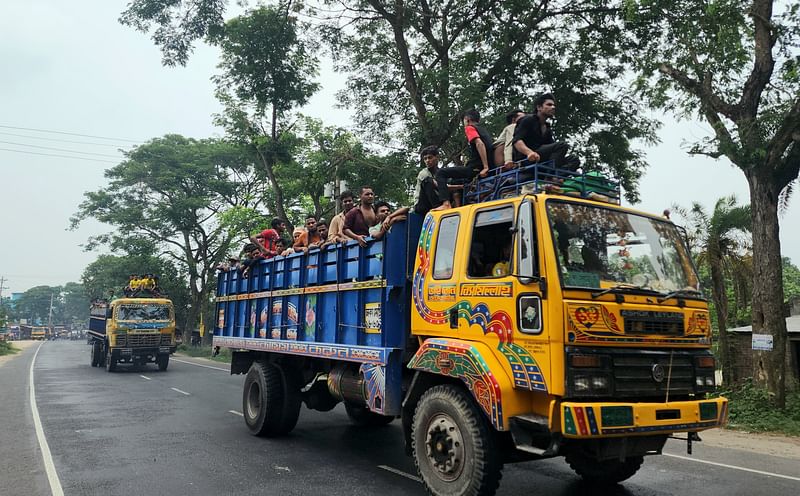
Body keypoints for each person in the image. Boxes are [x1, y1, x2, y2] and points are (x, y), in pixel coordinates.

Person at [433, 109, 495, 211]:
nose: (464, 125)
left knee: (441, 173)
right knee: (456, 180)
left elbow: (480, 144)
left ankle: (446, 203)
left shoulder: (470, 128)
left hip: (476, 167)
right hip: (480, 167)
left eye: (463, 122)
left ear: (467, 119)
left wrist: (485, 166)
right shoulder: (484, 131)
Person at [512, 93, 579, 171]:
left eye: (554, 105)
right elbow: (517, 141)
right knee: (562, 145)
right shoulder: (528, 120)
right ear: (539, 107)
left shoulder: (547, 127)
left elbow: (551, 148)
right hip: (528, 160)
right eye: (549, 105)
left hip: (542, 159)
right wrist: (529, 153)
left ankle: (555, 175)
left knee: (574, 159)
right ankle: (552, 176)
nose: (553, 107)